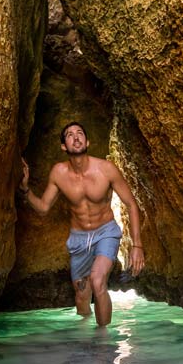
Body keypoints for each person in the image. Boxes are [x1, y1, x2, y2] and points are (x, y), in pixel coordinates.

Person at [18, 122, 145, 326]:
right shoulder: (59, 173)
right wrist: (25, 189)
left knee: (97, 280)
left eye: (79, 134)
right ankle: (84, 337)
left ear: (87, 141)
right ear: (63, 146)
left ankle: (103, 343)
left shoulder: (106, 169)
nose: (75, 137)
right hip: (79, 239)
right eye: (69, 135)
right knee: (81, 295)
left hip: (106, 232)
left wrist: (137, 245)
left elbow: (131, 204)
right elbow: (42, 207)